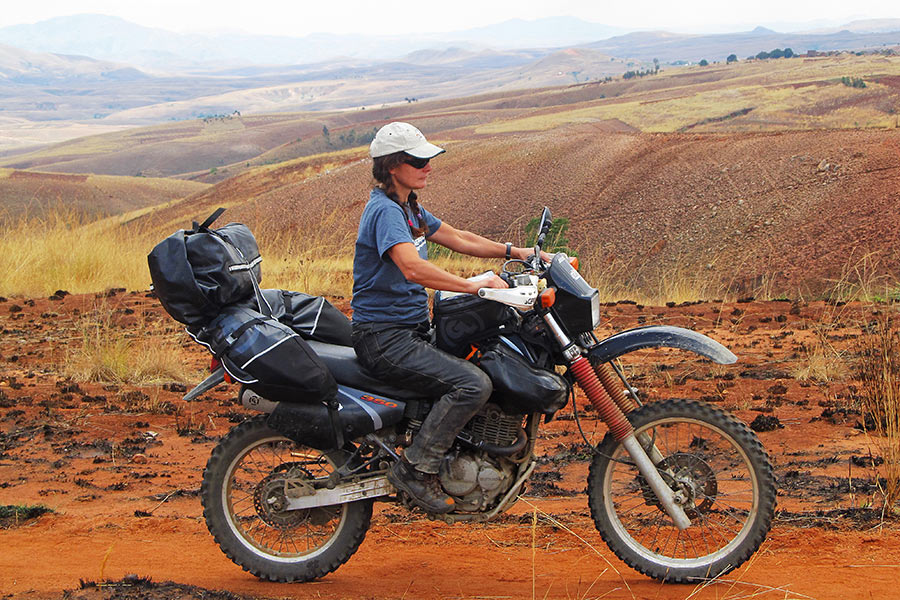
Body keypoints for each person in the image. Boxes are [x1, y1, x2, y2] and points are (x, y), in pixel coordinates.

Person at [350, 122, 541, 513]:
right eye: (418, 160)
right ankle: (415, 470)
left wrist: (517, 252)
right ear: (392, 165)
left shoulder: (407, 207)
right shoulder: (385, 211)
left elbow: (460, 238)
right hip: (386, 337)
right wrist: (473, 287)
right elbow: (412, 269)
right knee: (472, 384)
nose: (428, 167)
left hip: (410, 330)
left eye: (428, 159)